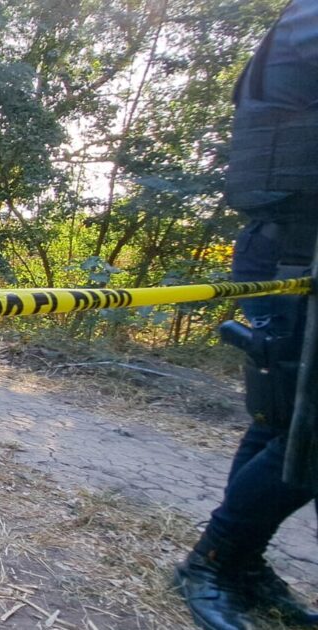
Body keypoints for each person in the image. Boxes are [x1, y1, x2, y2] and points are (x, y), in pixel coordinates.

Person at [175, 1, 318, 629]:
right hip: (294, 248)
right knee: (300, 427)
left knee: (282, 419)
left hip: (290, 246)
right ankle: (217, 560)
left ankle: (236, 561)